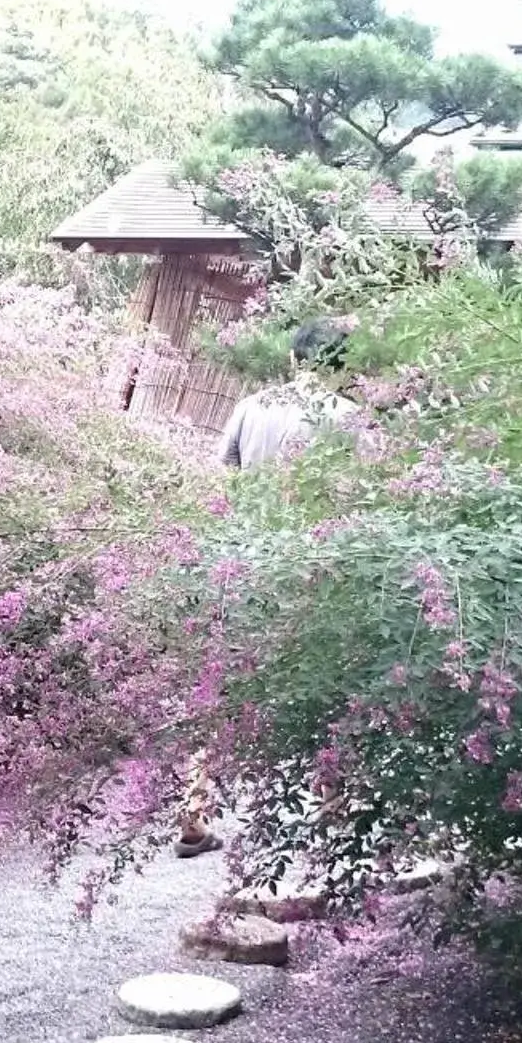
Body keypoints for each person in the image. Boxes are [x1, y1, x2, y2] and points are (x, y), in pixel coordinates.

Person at [177, 320, 355, 859]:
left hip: (246, 560)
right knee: (328, 686)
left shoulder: (251, 406)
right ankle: (332, 812)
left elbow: (223, 478)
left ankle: (193, 814)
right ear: (340, 366)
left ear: (295, 358)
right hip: (311, 565)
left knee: (222, 691)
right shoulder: (346, 418)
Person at [216, 318, 353, 469]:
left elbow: (224, 472)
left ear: (293, 358)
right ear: (345, 367)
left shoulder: (250, 406)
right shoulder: (350, 417)